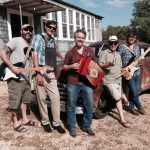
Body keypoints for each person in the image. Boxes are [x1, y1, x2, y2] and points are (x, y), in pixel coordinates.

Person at [31, 20, 65, 134]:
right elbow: (34, 54)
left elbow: (56, 52)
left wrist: (63, 58)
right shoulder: (38, 37)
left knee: (55, 98)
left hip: (50, 72)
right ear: (45, 27)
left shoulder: (53, 41)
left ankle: (56, 123)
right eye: (50, 27)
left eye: (54, 28)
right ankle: (45, 122)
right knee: (41, 99)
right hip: (40, 70)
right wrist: (39, 73)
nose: (52, 29)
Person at [0, 24, 36, 132]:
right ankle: (15, 122)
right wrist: (12, 67)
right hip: (15, 77)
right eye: (26, 29)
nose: (28, 31)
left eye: (30, 29)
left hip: (25, 78)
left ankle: (24, 119)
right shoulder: (15, 40)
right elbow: (2, 52)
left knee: (25, 100)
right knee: (15, 101)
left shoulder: (30, 45)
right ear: (21, 31)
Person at [63, 29, 96, 137]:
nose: (80, 39)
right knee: (71, 105)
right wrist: (72, 66)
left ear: (84, 39)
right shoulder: (70, 52)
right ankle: (72, 127)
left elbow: (95, 64)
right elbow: (64, 67)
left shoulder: (90, 51)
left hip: (87, 83)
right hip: (73, 82)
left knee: (89, 105)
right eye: (78, 37)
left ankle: (87, 126)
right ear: (75, 38)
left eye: (82, 37)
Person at [99, 35, 130, 128]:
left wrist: (124, 70)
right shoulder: (104, 53)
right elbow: (100, 65)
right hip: (108, 80)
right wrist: (107, 64)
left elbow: (119, 67)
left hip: (118, 80)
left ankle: (125, 99)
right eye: (111, 43)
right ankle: (122, 119)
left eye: (115, 43)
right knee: (118, 98)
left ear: (117, 44)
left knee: (120, 95)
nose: (113, 45)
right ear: (108, 43)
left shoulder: (118, 54)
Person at [118, 31, 146, 115]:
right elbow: (118, 59)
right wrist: (121, 68)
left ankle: (131, 107)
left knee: (134, 91)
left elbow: (139, 59)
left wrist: (141, 62)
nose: (131, 38)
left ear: (135, 39)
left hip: (137, 72)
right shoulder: (122, 47)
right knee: (134, 91)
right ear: (127, 38)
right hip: (127, 73)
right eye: (130, 37)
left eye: (133, 37)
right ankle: (140, 107)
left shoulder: (137, 47)